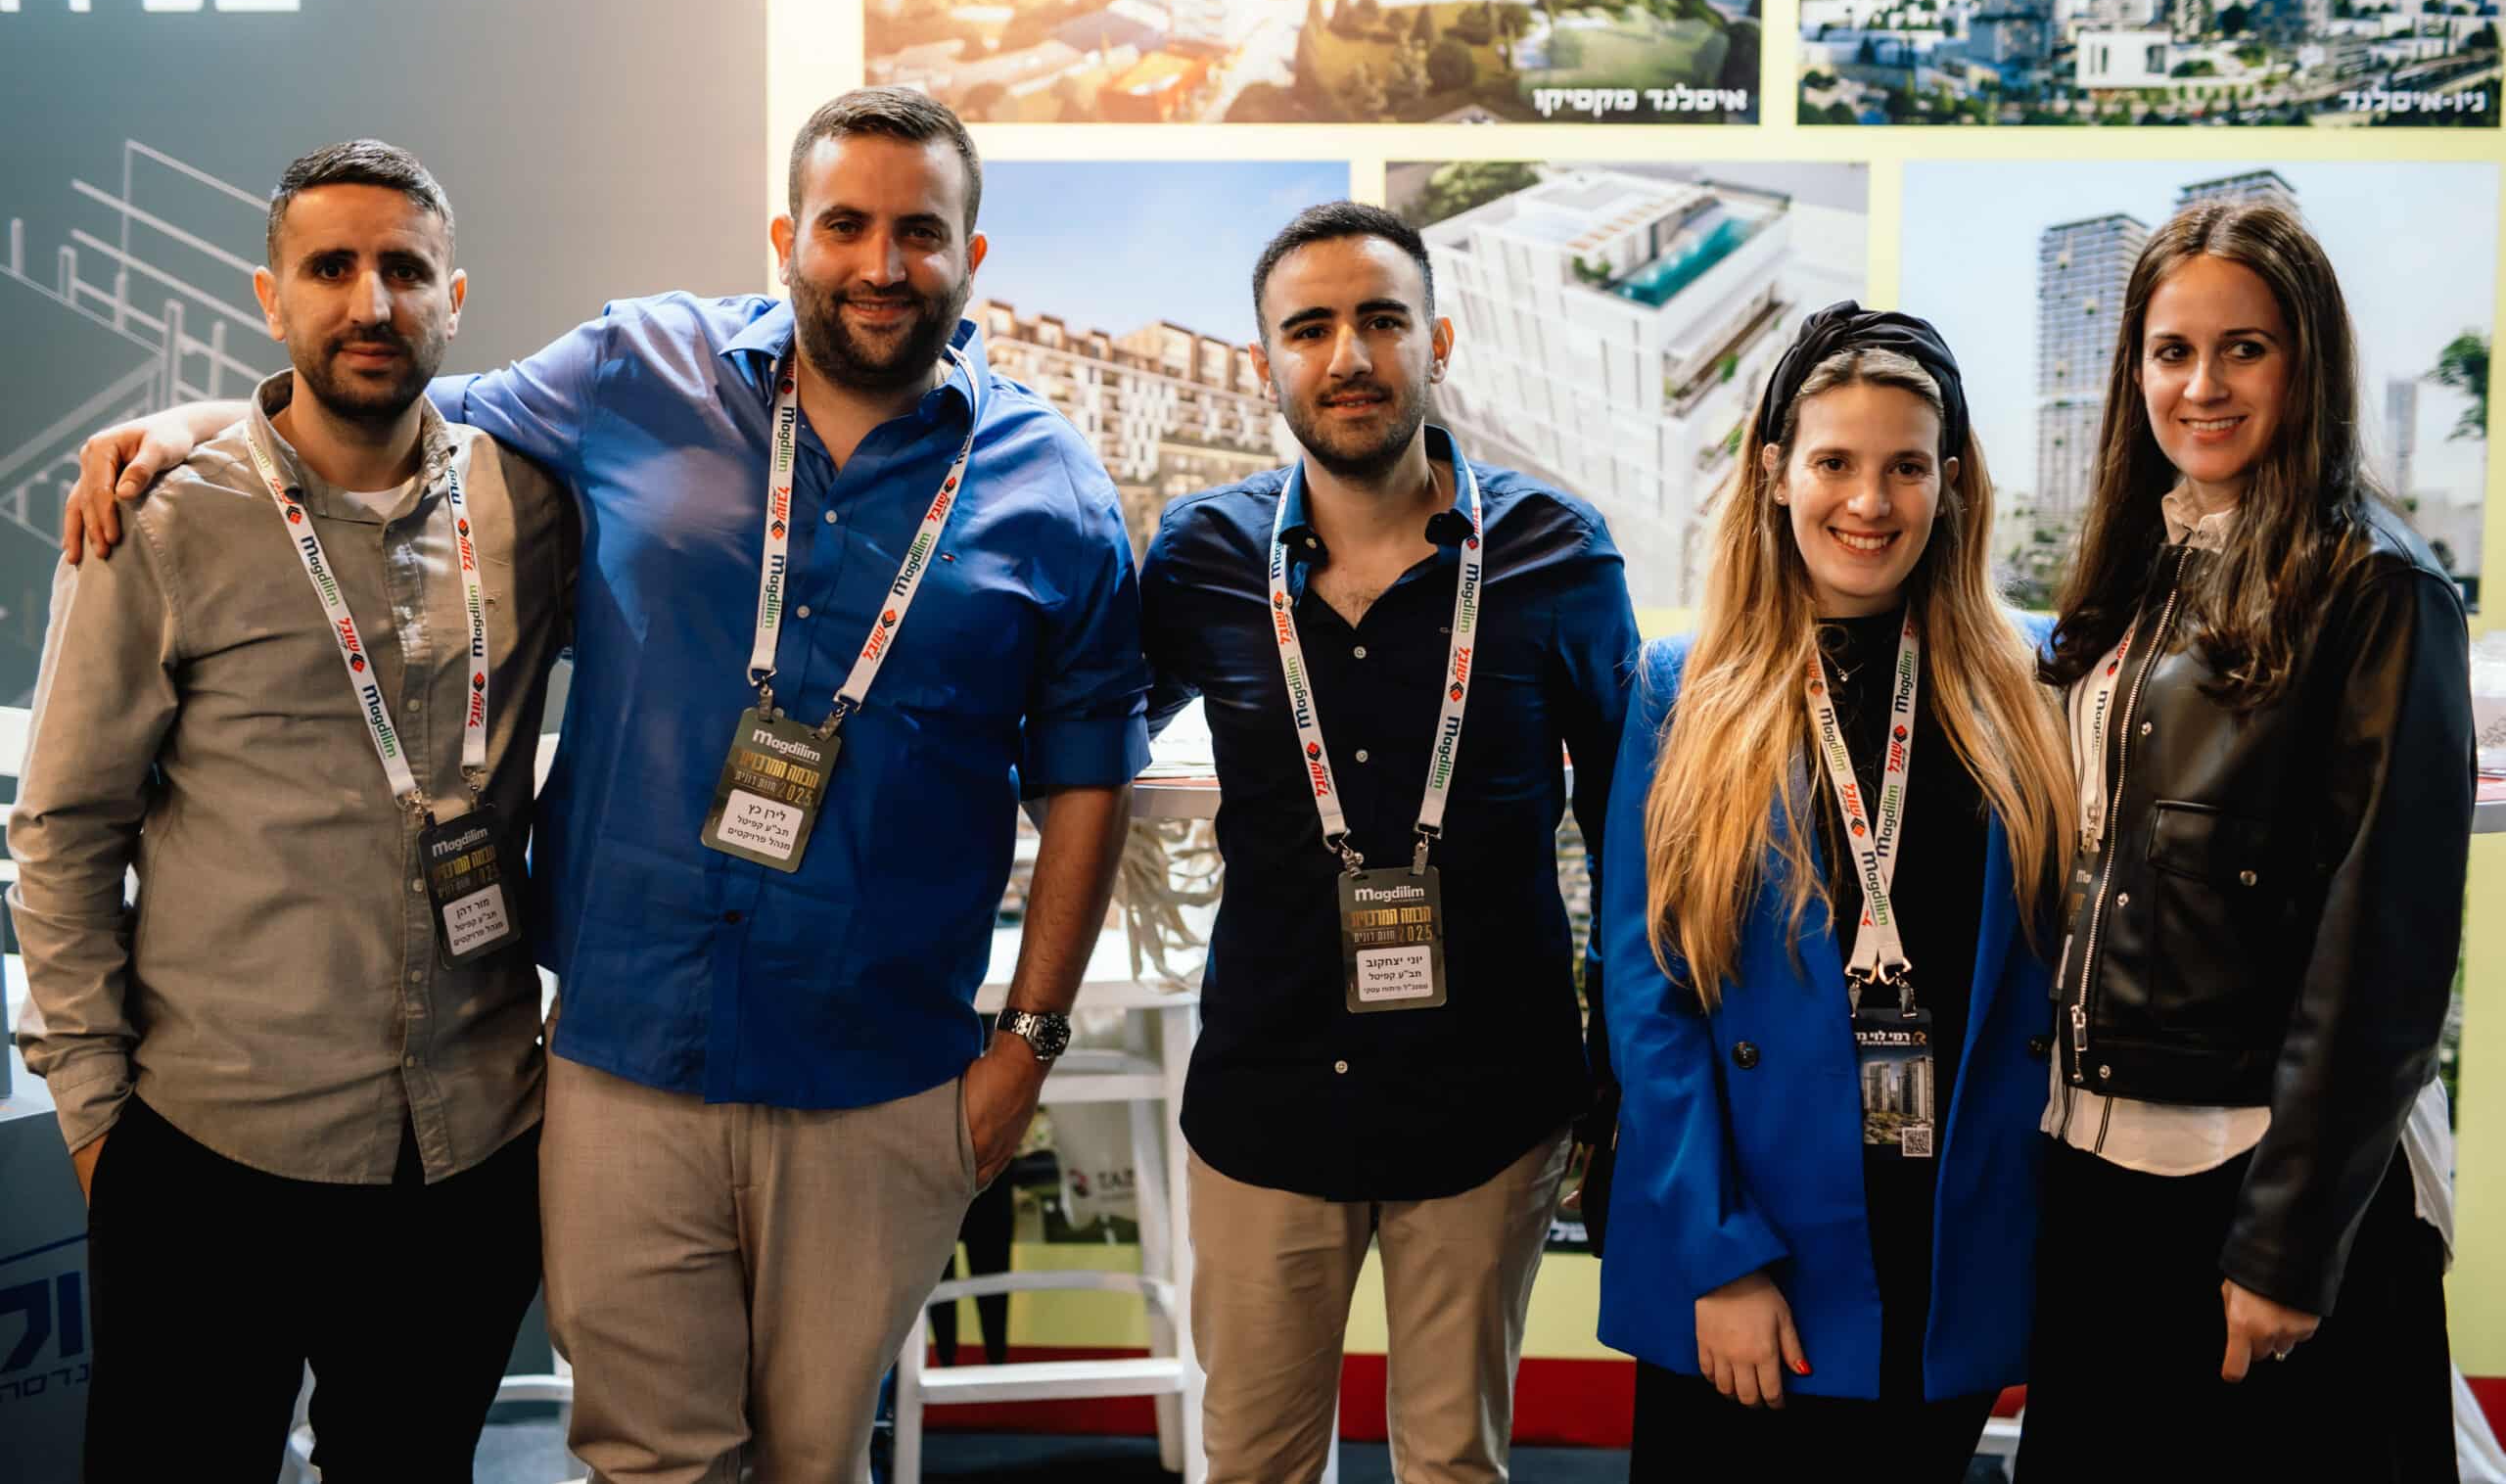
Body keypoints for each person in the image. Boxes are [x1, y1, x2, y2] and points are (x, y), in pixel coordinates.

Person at [55, 87, 1147, 1481]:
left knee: (816, 1455)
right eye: (845, 226)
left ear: (971, 256)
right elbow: (387, 409)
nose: (882, 264)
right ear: (787, 239)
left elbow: (1086, 775)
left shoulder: (1052, 486)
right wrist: (201, 419)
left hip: (877, 1073)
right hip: (629, 1055)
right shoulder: (636, 368)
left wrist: (1027, 1047)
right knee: (646, 1457)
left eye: (920, 233)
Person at [11, 141, 570, 1477]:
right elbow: (64, 828)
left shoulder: (530, 506)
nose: (371, 302)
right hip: (214, 1150)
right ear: (272, 298)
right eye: (331, 268)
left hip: (467, 1150)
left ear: (454, 299)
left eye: (405, 270)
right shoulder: (162, 521)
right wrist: (96, 1120)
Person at [1139, 202, 1638, 1483]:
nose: (1348, 355)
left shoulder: (1555, 552)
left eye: (1380, 320)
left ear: (1438, 341)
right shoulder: (1201, 558)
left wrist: (1623, 1061)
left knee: (1454, 1463)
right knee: (1251, 1464)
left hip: (1490, 1099)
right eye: (1309, 328)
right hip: (1268, 1093)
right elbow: (1089, 737)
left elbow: (1624, 823)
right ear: (1267, 362)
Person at [2019, 202, 2471, 1482]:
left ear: (2306, 361)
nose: (2201, 384)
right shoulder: (2143, 563)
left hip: (2252, 1178)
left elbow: (2384, 957)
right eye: (2172, 351)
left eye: (2244, 348)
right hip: (2101, 1162)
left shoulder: (2377, 588)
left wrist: (2288, 1243)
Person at [1595, 302, 2074, 1480]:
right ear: (1773, 473)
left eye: (1906, 466)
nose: (1869, 500)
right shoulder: (1682, 689)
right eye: (1834, 463)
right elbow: (1648, 997)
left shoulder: (2031, 679)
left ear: (1951, 483)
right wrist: (1720, 1257)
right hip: (1752, 1241)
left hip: (1947, 1241)